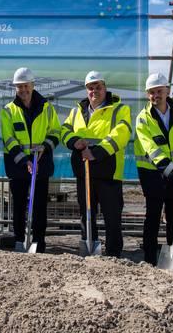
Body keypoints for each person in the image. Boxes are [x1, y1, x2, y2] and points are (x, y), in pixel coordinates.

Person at [61, 71, 131, 257]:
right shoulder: (76, 111)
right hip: (84, 172)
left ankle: (114, 253)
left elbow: (122, 134)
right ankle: (89, 247)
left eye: (98, 87)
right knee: (87, 214)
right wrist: (74, 141)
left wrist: (96, 152)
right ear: (86, 90)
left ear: (105, 88)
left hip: (109, 171)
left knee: (112, 216)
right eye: (90, 88)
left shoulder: (119, 109)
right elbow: (64, 130)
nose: (94, 91)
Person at [134, 73, 173, 266]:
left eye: (159, 91)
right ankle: (149, 259)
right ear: (147, 94)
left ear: (167, 91)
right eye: (151, 92)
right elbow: (151, 149)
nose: (155, 95)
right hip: (152, 172)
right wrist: (172, 169)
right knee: (153, 215)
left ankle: (172, 257)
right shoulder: (143, 118)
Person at [1, 67, 60, 253]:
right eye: (19, 86)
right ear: (15, 88)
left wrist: (45, 147)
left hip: (41, 164)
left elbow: (55, 132)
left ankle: (39, 243)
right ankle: (19, 240)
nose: (23, 90)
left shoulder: (47, 108)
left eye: (26, 86)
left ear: (33, 85)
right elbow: (8, 139)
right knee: (18, 206)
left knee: (39, 207)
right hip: (18, 166)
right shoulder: (8, 110)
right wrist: (24, 161)